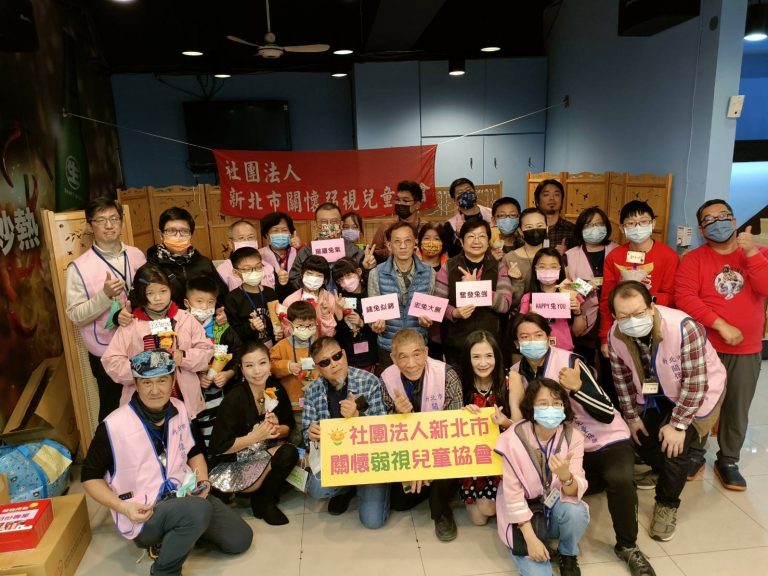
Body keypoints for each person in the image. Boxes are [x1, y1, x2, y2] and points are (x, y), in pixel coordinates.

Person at [507, 312, 657, 576]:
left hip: (606, 438)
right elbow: (521, 423)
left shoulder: (570, 362)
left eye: (538, 335)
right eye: (525, 337)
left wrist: (578, 388)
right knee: (560, 487)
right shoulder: (518, 372)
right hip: (567, 445)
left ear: (549, 338)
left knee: (619, 478)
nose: (532, 341)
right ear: (517, 344)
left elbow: (607, 412)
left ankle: (628, 546)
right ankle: (551, 537)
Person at [80, 349, 252, 576]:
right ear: (136, 384)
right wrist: (123, 508)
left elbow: (194, 451)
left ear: (173, 381)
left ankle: (175, 537)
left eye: (162, 381)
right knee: (198, 511)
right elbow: (89, 477)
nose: (155, 390)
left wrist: (203, 481)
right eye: (146, 382)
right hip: (145, 512)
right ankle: (164, 570)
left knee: (240, 539)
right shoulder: (113, 425)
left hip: (184, 495)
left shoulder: (179, 408)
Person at [608, 281, 726, 542]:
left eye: (638, 313)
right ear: (614, 316)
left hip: (698, 392)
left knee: (675, 448)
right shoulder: (615, 334)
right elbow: (621, 378)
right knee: (642, 439)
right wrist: (631, 416)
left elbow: (695, 383)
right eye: (624, 316)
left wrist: (679, 425)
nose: (632, 321)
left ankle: (667, 503)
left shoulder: (683, 327)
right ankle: (666, 472)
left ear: (652, 307)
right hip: (656, 393)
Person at [675, 199, 768, 490]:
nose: (718, 223)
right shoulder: (693, 259)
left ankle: (728, 460)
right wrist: (720, 325)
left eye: (723, 216)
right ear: (702, 230)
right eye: (709, 220)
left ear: (734, 220)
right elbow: (685, 297)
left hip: (747, 349)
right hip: (706, 347)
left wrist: (751, 253)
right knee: (702, 401)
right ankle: (695, 453)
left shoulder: (758, 254)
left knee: (737, 406)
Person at [494, 377, 589, 576]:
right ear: (531, 407)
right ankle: (535, 540)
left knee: (576, 512)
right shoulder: (512, 439)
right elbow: (512, 495)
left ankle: (568, 553)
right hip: (523, 511)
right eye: (543, 404)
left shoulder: (573, 437)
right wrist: (530, 540)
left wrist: (566, 476)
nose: (551, 409)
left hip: (553, 504)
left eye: (557, 403)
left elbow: (574, 490)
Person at [66, 197, 146, 421]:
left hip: (142, 343)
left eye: (114, 218)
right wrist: (105, 296)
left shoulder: (137, 255)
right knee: (113, 411)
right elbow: (75, 315)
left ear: (121, 221)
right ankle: (109, 445)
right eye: (101, 220)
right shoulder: (78, 268)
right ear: (89, 226)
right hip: (107, 350)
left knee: (147, 404)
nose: (109, 225)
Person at [102, 264, 214, 421]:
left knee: (184, 434)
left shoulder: (186, 319)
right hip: (143, 405)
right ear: (141, 293)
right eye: (150, 293)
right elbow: (111, 362)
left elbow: (206, 351)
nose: (158, 298)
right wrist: (143, 366)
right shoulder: (131, 325)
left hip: (184, 402)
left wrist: (182, 356)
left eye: (163, 291)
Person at [380, 329, 463, 541]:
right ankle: (429, 486)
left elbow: (454, 430)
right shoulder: (387, 378)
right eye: (403, 357)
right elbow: (383, 429)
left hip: (442, 446)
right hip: (407, 448)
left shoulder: (447, 375)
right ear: (393, 358)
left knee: (447, 464)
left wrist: (425, 465)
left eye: (417, 354)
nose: (411, 363)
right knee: (399, 503)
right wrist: (397, 413)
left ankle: (441, 510)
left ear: (426, 352)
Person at [302, 337, 390, 529]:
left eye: (337, 356)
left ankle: (376, 487)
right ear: (317, 368)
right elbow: (305, 432)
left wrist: (358, 417)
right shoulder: (312, 391)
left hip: (369, 459)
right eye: (325, 362)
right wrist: (311, 433)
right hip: (338, 459)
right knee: (316, 488)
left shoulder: (369, 381)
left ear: (344, 353)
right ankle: (346, 489)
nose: (334, 364)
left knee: (373, 521)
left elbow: (383, 430)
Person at [209, 341, 298, 525]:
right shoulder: (235, 399)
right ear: (241, 369)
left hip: (262, 455)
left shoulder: (275, 389)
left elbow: (288, 426)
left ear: (270, 364)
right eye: (249, 366)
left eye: (262, 363)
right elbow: (219, 448)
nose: (257, 371)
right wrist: (255, 436)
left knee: (290, 452)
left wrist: (275, 430)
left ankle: (263, 501)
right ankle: (247, 494)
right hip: (233, 464)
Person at [598, 201, 679, 357]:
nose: (637, 227)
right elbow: (606, 300)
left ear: (653, 223)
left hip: (658, 327)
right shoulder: (614, 256)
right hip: (623, 327)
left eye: (643, 222)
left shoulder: (669, 256)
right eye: (631, 223)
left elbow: (672, 298)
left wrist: (646, 295)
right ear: (622, 228)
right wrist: (604, 337)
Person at [435, 219, 513, 366]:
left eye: (482, 236)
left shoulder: (499, 267)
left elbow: (505, 304)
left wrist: (476, 287)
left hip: (489, 344)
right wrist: (454, 313)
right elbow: (438, 304)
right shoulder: (448, 267)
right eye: (471, 236)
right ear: (462, 241)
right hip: (456, 344)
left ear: (488, 241)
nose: (476, 241)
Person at [458, 331, 513, 526]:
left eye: (489, 356)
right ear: (468, 358)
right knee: (479, 520)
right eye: (476, 357)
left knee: (488, 509)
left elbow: (521, 426)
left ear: (497, 356)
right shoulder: (459, 380)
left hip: (503, 454)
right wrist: (461, 414)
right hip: (474, 455)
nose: (483, 363)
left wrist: (505, 422)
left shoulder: (511, 379)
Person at [565, 207, 619, 399]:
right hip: (584, 317)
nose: (594, 229)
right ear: (580, 229)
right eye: (589, 225)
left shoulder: (618, 251)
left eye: (599, 224)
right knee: (585, 367)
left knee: (613, 369)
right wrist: (584, 286)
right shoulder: (570, 255)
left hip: (614, 315)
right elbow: (565, 287)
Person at [368, 221, 436, 370]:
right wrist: (375, 324)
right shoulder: (376, 273)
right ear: (389, 245)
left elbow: (432, 310)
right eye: (397, 241)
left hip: (418, 347)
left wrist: (428, 320)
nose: (403, 246)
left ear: (415, 243)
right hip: (389, 347)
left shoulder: (430, 272)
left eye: (407, 241)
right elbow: (372, 313)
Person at [184, 275, 242, 449]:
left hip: (219, 390)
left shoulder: (222, 328)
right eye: (199, 301)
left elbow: (238, 353)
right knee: (194, 434)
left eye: (210, 302)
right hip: (190, 392)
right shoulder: (179, 327)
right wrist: (197, 377)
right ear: (187, 303)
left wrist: (229, 373)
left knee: (219, 428)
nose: (205, 307)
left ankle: (218, 453)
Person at [146, 206, 228, 309]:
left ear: (191, 235)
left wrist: (221, 311)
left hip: (204, 318)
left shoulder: (204, 263)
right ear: (161, 234)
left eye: (184, 231)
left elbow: (221, 296)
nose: (178, 236)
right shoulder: (151, 268)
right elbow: (141, 302)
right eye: (171, 231)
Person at [289, 203, 376, 290]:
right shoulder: (305, 253)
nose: (329, 226)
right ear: (316, 225)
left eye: (334, 222)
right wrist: (309, 281)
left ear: (341, 224)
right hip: (316, 298)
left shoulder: (354, 251)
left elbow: (369, 284)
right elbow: (293, 281)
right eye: (324, 222)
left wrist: (367, 269)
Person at [269, 301, 319, 446]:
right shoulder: (282, 346)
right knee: (296, 437)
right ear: (290, 324)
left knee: (314, 435)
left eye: (310, 325)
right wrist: (288, 366)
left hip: (315, 401)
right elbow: (271, 366)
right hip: (292, 403)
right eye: (301, 326)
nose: (306, 329)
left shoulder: (319, 344)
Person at [519, 248, 586, 352]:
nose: (548, 270)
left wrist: (577, 312)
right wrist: (530, 318)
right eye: (542, 266)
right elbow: (521, 331)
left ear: (560, 269)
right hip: (537, 351)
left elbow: (578, 332)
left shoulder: (571, 294)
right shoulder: (528, 298)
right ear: (535, 269)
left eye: (553, 266)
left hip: (564, 351)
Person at [223, 247, 280, 346]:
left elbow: (277, 320)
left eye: (258, 267)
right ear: (236, 272)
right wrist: (251, 327)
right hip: (249, 349)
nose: (254, 272)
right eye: (247, 269)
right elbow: (233, 332)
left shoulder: (270, 292)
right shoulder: (232, 298)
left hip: (273, 346)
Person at [332, 257, 378, 372]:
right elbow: (337, 334)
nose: (346, 282)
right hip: (348, 357)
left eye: (348, 276)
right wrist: (339, 316)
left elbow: (380, 327)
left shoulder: (371, 293)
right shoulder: (339, 299)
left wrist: (362, 323)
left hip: (371, 354)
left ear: (358, 272)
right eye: (340, 280)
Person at [282, 255, 342, 338]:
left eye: (319, 275)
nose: (313, 278)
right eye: (309, 273)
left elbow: (329, 335)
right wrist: (296, 329)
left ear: (324, 280)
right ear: (301, 274)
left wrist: (326, 315)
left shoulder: (330, 299)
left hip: (321, 344)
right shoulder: (290, 300)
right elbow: (285, 333)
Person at [502, 207, 549, 311]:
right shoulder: (510, 259)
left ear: (547, 228)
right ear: (521, 231)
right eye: (529, 227)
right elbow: (506, 301)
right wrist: (517, 281)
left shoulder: (554, 257)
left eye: (540, 226)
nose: (535, 230)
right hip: (519, 316)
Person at [215, 219, 276, 292]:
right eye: (241, 238)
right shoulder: (222, 271)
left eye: (250, 237)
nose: (247, 241)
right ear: (231, 244)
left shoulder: (268, 267)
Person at [372, 180, 424, 263]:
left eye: (405, 201)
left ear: (417, 205)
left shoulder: (425, 229)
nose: (400, 203)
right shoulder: (386, 227)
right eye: (398, 200)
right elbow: (374, 253)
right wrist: (391, 250)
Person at [444, 177, 494, 257]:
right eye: (460, 192)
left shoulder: (492, 214)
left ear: (475, 192)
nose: (466, 194)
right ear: (454, 200)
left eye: (468, 190)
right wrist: (458, 235)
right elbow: (452, 254)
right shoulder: (450, 225)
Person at [259, 211, 302, 302]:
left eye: (284, 230)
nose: (280, 234)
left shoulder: (298, 251)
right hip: (270, 301)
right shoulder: (259, 255)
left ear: (291, 233)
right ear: (267, 235)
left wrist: (300, 248)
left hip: (298, 301)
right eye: (275, 230)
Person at [533, 179, 576, 253]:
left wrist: (567, 254)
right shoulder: (529, 229)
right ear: (537, 201)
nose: (552, 198)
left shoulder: (572, 230)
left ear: (562, 201)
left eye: (557, 195)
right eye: (546, 195)